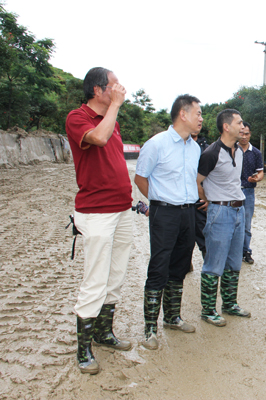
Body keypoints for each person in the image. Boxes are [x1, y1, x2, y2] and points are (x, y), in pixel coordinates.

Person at [65, 67, 133, 374]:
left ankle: (105, 333)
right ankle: (83, 350)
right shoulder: (77, 118)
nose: (120, 90)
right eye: (115, 86)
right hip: (96, 212)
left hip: (121, 209)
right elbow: (100, 140)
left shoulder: (112, 121)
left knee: (116, 275)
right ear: (98, 90)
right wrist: (116, 107)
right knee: (94, 279)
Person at [134, 94, 203, 350]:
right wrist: (157, 202)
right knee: (159, 265)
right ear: (183, 114)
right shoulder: (157, 144)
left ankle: (172, 317)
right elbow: (140, 179)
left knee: (181, 264)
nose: (201, 119)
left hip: (188, 213)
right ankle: (150, 328)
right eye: (198, 113)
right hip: (164, 213)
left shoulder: (194, 147)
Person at [197, 109, 251, 327]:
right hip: (220, 212)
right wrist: (207, 199)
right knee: (214, 262)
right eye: (239, 123)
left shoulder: (239, 151)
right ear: (226, 127)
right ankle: (208, 310)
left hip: (239, 210)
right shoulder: (211, 153)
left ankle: (229, 304)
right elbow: (197, 181)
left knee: (234, 261)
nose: (243, 127)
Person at [239, 122, 264, 264]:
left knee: (246, 224)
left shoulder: (255, 153)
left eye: (246, 133)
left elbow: (261, 173)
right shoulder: (231, 150)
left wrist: (257, 178)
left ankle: (246, 251)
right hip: (232, 192)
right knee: (232, 223)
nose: (244, 136)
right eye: (241, 133)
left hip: (248, 192)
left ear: (250, 134)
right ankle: (234, 252)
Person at [191, 129, 210, 267]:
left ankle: (209, 268)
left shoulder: (207, 149)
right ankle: (185, 263)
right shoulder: (175, 146)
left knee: (203, 233)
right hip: (180, 200)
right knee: (183, 235)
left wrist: (209, 198)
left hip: (201, 199)